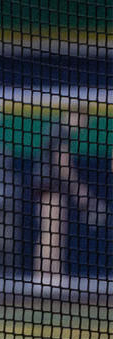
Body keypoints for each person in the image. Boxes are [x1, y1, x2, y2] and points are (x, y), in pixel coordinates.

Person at [32, 108, 101, 282]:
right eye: (85, 119)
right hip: (50, 187)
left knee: (50, 232)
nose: (85, 124)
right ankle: (48, 278)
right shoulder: (61, 131)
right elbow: (63, 164)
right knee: (52, 233)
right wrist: (79, 190)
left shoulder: (55, 129)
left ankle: (48, 277)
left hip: (47, 187)